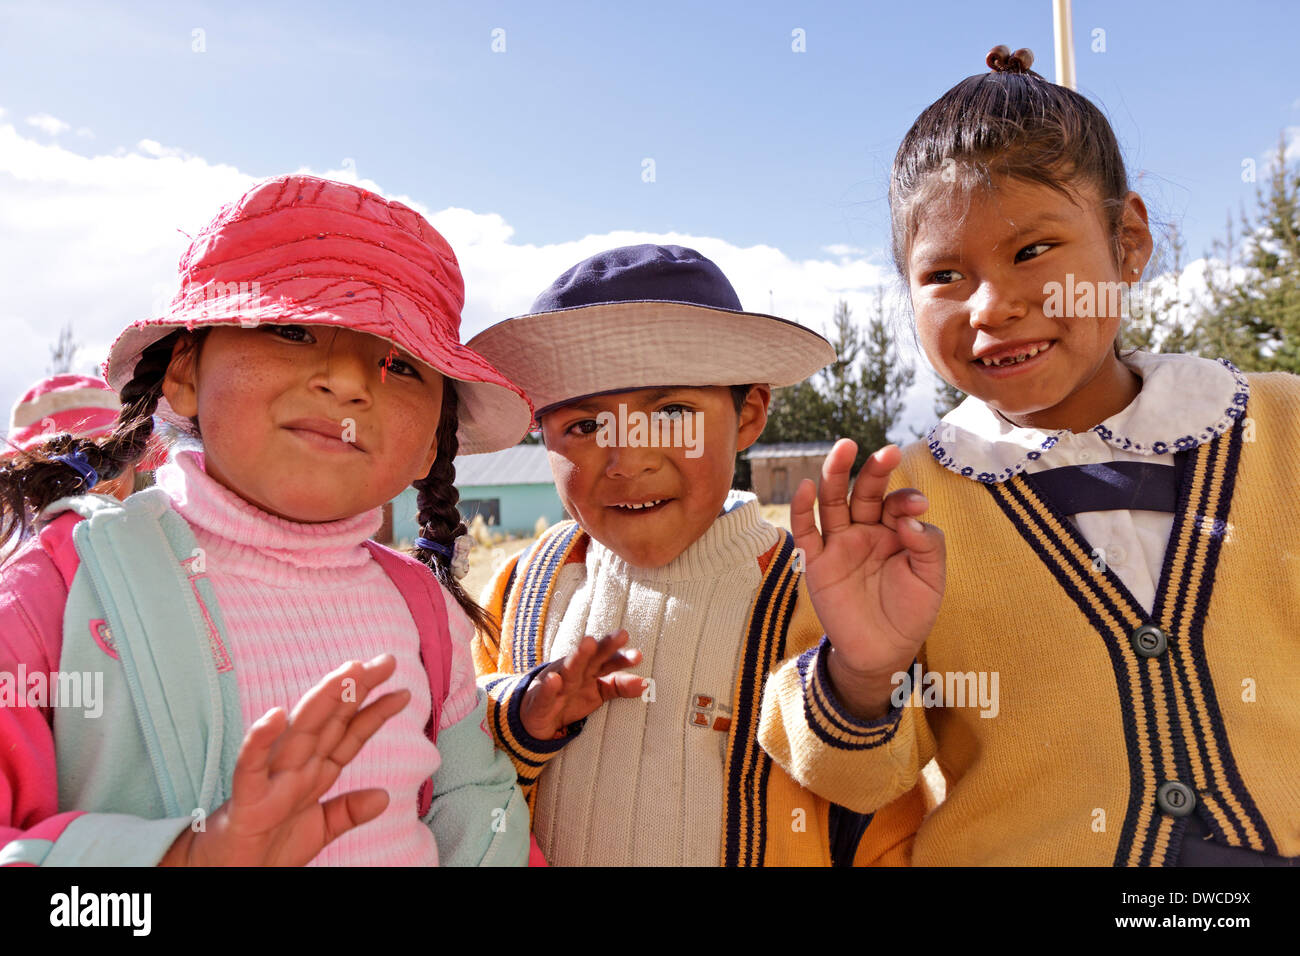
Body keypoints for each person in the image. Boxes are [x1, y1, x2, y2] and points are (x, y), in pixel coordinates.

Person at [761, 46, 1300, 865]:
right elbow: (861, 784)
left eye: (1032, 251)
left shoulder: (1281, 426)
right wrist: (865, 674)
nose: (991, 306)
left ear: (1128, 242)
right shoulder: (896, 505)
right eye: (943, 273)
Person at [0, 175, 534, 866]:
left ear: (434, 439)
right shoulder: (63, 589)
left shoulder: (424, 609)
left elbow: (473, 803)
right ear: (185, 372)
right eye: (290, 330)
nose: (347, 382)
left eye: (400, 366)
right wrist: (185, 857)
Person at [466, 243, 931, 866]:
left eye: (672, 414)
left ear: (749, 415)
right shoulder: (525, 587)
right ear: (539, 430)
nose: (628, 459)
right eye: (584, 426)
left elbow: (878, 802)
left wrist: (863, 679)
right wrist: (524, 714)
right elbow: (461, 775)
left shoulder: (813, 594)